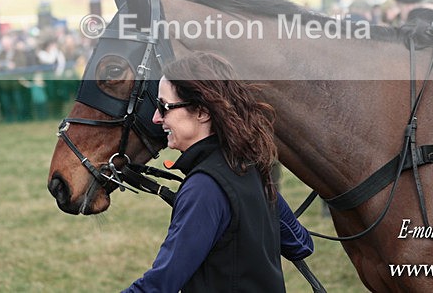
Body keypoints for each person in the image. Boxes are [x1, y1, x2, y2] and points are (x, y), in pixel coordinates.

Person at [124, 52, 313, 293]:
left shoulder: (204, 188)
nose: (156, 118)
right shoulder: (248, 166)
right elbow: (300, 243)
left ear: (202, 112)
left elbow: (160, 285)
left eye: (164, 106)